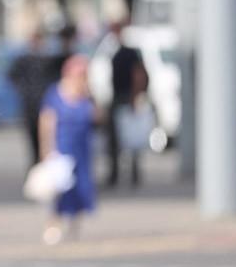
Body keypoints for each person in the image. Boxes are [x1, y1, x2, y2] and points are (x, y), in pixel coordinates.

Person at [38, 55, 97, 245]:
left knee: (80, 188)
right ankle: (53, 224)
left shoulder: (86, 95)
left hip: (82, 149)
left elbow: (98, 118)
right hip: (62, 147)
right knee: (60, 189)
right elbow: (47, 121)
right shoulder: (55, 93)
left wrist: (89, 94)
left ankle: (75, 226)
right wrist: (47, 149)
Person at [105, 20, 146, 187]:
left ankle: (134, 174)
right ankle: (115, 173)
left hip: (126, 97)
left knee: (130, 137)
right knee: (115, 138)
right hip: (118, 96)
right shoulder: (115, 51)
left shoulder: (129, 53)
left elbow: (138, 74)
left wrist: (135, 97)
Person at [8, 31, 55, 167]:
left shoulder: (47, 60)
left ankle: (42, 165)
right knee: (32, 138)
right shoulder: (24, 60)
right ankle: (35, 165)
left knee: (45, 138)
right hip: (30, 105)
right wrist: (23, 89)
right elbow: (12, 76)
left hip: (44, 105)